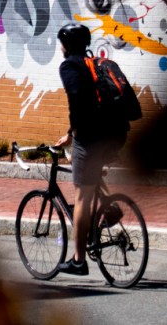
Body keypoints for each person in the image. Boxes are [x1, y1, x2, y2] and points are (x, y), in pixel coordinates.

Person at [54, 22, 128, 276]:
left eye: (62, 42)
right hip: (116, 134)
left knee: (82, 197)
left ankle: (78, 261)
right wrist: (70, 133)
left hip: (93, 137)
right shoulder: (94, 63)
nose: (60, 47)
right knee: (90, 177)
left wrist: (74, 135)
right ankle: (109, 208)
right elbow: (95, 104)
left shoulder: (70, 66)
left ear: (67, 44)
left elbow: (78, 101)